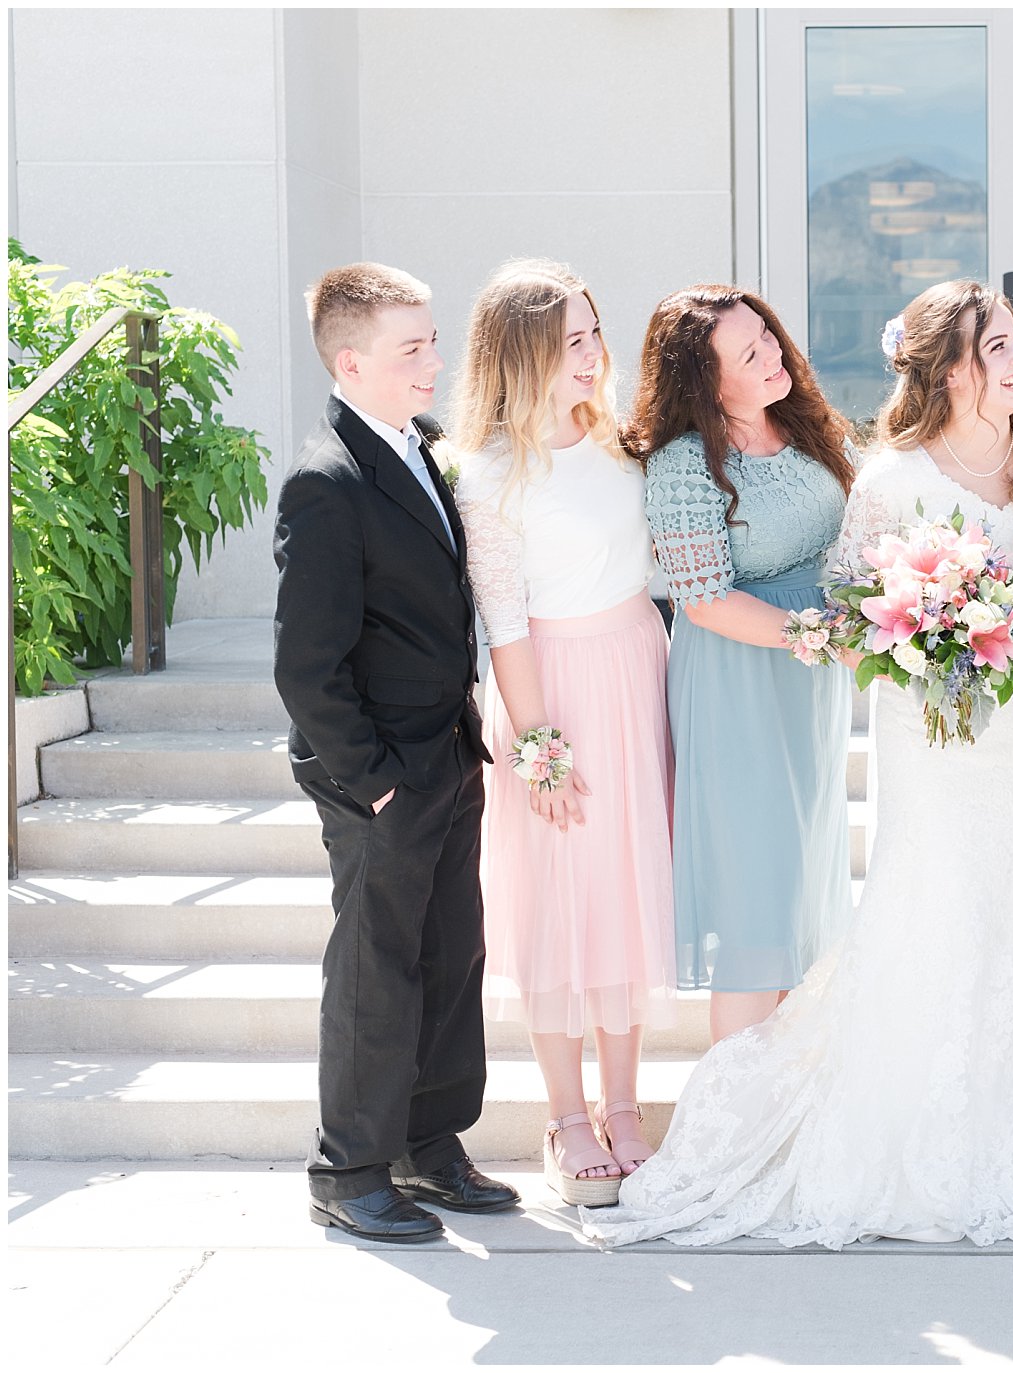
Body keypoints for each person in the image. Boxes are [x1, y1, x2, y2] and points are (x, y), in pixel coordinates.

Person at [584, 279, 1013, 1249]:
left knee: (1011, 900)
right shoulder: (877, 475)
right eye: (998, 345)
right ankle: (849, 1118)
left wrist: (1011, 620)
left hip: (1012, 728)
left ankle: (1002, 1111)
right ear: (949, 370)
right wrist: (926, 622)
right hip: (892, 715)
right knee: (911, 896)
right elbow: (858, 589)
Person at [273, 263, 517, 1243]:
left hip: (449, 752)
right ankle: (350, 1167)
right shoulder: (325, 481)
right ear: (351, 360)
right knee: (377, 970)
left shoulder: (423, 447)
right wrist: (368, 777)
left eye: (431, 340)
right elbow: (306, 663)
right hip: (381, 772)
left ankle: (430, 1141)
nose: (434, 361)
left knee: (451, 952)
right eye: (411, 347)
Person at [445, 260, 677, 1207]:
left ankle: (626, 1107)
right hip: (553, 690)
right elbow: (502, 620)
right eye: (573, 339)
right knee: (557, 904)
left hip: (636, 669)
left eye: (594, 332)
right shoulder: (489, 471)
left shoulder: (624, 442)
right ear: (525, 353)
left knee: (623, 891)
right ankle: (566, 1115)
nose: (594, 352)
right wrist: (536, 745)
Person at [629, 286, 856, 1043]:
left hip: (809, 685)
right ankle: (732, 1129)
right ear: (706, 381)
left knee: (798, 899)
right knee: (758, 908)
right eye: (748, 352)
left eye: (768, 335)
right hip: (739, 684)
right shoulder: (686, 463)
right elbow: (703, 599)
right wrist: (821, 634)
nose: (773, 354)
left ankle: (784, 1115)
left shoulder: (804, 428)